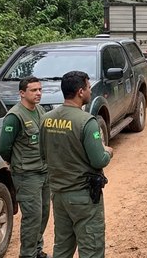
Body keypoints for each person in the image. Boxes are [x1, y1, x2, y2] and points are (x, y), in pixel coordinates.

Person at [41, 71, 113, 258]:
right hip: (83, 196)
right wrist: (107, 152)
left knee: (63, 246)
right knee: (92, 248)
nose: (90, 91)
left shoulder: (46, 118)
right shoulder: (86, 121)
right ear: (80, 91)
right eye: (89, 87)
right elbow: (99, 160)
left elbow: (43, 154)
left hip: (58, 194)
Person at [0, 76, 50, 258]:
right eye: (33, 90)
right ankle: (27, 255)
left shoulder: (39, 110)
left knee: (43, 213)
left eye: (40, 90)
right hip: (26, 174)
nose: (38, 94)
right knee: (32, 217)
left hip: (43, 171)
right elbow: (4, 148)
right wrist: (16, 163)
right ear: (22, 93)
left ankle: (37, 251)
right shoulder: (15, 116)